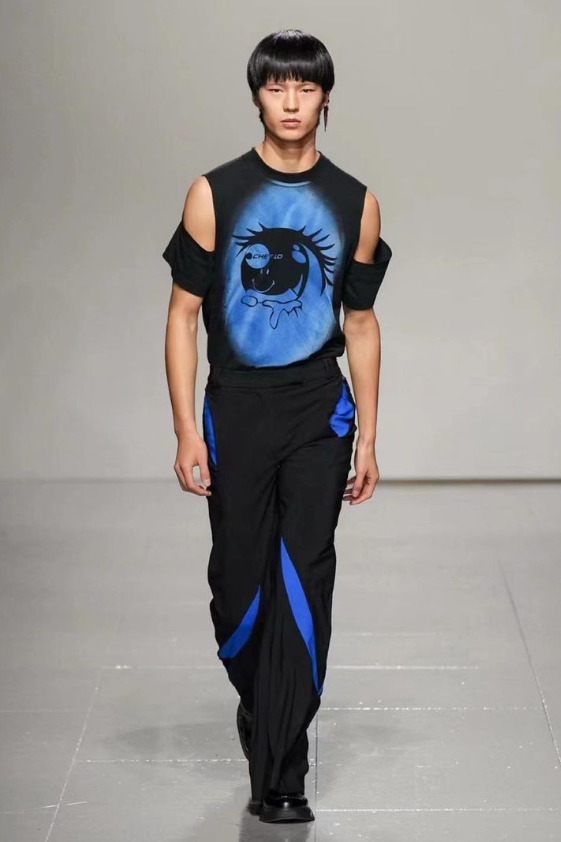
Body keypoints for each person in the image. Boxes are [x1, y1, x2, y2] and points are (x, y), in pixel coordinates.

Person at [162, 28, 392, 824]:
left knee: (304, 576)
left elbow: (359, 322)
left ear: (325, 97)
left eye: (305, 87)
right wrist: (186, 430)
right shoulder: (212, 193)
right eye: (275, 86)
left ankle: (282, 772)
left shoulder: (355, 201)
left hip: (316, 411)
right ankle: (261, 703)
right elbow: (182, 316)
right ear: (257, 94)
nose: (290, 102)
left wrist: (368, 433)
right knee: (235, 588)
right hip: (235, 408)